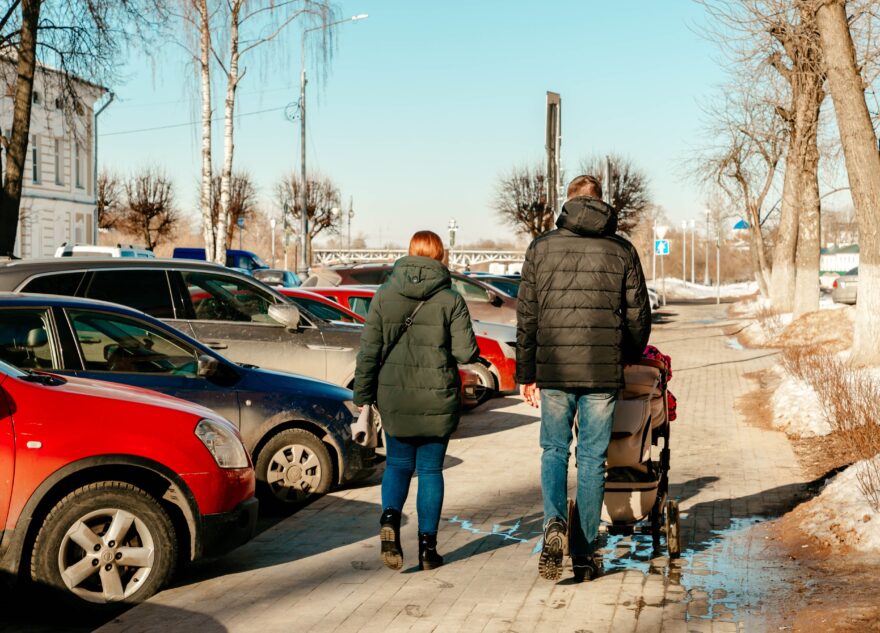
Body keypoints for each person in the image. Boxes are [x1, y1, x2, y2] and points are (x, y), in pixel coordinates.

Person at [516, 175, 651, 582]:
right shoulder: (621, 250)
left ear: (569, 202)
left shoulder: (541, 247)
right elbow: (638, 316)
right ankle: (585, 551)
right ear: (601, 202)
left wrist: (526, 373)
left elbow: (527, 317)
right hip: (601, 373)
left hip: (554, 370)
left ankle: (554, 523)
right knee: (592, 461)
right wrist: (624, 357)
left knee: (554, 451)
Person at [354, 230, 480, 571]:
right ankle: (428, 550)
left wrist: (363, 397)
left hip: (393, 396)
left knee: (397, 465)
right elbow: (465, 352)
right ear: (440, 257)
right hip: (437, 397)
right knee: (429, 470)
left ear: (409, 253)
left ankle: (390, 521)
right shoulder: (450, 298)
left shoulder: (384, 294)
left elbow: (369, 352)